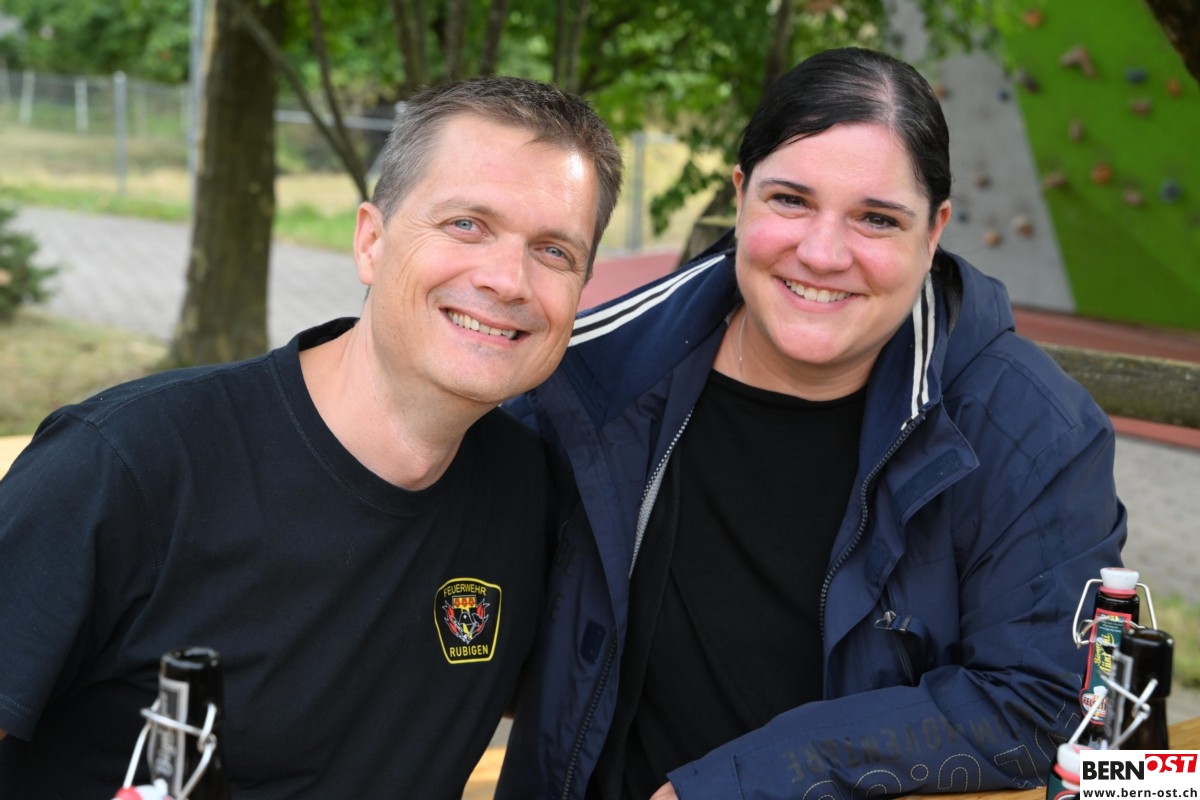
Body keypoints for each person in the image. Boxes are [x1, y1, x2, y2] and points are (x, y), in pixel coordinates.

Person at [496, 47, 1126, 800]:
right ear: (741, 197)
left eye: (877, 219)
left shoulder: (1032, 431)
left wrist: (745, 783)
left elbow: (1043, 701)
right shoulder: (592, 375)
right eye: (790, 201)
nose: (823, 254)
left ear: (934, 232)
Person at [0, 75, 622, 797]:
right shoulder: (129, 466)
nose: (508, 280)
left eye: (554, 251)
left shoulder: (540, 496)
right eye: (467, 224)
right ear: (370, 241)